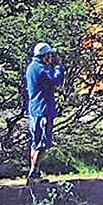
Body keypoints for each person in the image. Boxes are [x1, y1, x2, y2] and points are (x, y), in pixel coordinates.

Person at [24, 42, 64, 183]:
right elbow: (56, 80)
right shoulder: (41, 69)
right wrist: (58, 66)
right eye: (50, 55)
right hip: (43, 110)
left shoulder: (31, 67)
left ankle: (34, 171)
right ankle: (33, 173)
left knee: (35, 142)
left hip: (35, 109)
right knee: (42, 143)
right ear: (45, 55)